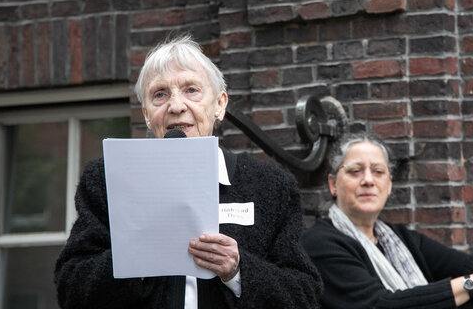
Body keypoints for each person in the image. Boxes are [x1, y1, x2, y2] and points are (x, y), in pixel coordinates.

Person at [54, 34, 322, 309]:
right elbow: (71, 287)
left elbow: (304, 295)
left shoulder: (270, 186)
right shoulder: (107, 179)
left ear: (219, 105)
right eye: (160, 94)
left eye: (191, 90)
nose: (176, 105)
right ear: (147, 114)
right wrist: (137, 255)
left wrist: (238, 271)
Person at [301, 133, 473, 309]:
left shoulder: (403, 240)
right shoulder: (318, 244)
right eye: (355, 171)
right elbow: (381, 305)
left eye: (378, 171)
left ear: (388, 185)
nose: (368, 180)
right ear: (332, 184)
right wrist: (471, 286)